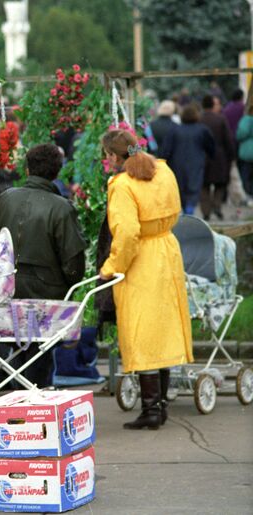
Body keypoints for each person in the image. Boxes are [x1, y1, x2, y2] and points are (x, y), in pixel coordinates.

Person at [100, 129, 193, 430]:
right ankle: (160, 404)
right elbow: (176, 210)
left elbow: (126, 234)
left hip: (141, 260)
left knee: (142, 332)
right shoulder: (163, 171)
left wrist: (112, 266)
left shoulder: (122, 185)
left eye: (107, 155)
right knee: (162, 330)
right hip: (167, 251)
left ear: (114, 157)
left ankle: (152, 408)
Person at [0, 143, 86, 388]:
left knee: (16, 350)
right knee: (39, 353)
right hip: (47, 292)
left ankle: (16, 391)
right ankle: (36, 397)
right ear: (57, 172)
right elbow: (73, 260)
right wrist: (70, 285)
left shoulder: (5, 199)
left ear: (27, 168)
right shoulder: (62, 207)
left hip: (7, 286)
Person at [160, 104, 215, 214]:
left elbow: (166, 149)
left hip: (177, 164)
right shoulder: (202, 130)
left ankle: (185, 210)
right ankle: (190, 209)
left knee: (180, 188)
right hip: (196, 163)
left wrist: (163, 162)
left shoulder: (174, 130)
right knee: (193, 188)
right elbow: (211, 147)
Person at [200, 95, 235, 221]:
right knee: (220, 184)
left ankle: (206, 211)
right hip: (220, 156)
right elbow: (228, 139)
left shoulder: (199, 119)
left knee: (204, 185)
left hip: (203, 156)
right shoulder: (221, 119)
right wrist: (231, 155)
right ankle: (217, 206)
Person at [235, 103, 253, 197]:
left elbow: (241, 134)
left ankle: (249, 194)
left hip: (247, 152)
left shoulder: (246, 120)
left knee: (246, 175)